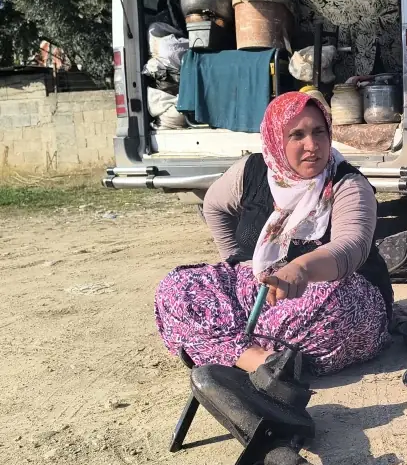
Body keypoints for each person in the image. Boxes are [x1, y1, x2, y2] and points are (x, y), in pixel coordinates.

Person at [154, 91, 393, 376]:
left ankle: (222, 345)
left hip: (334, 294)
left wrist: (302, 269)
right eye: (297, 135)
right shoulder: (253, 171)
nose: (312, 145)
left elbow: (352, 245)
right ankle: (260, 359)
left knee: (330, 306)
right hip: (259, 292)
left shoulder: (348, 184)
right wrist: (237, 260)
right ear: (275, 140)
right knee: (176, 288)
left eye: (319, 132)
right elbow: (215, 206)